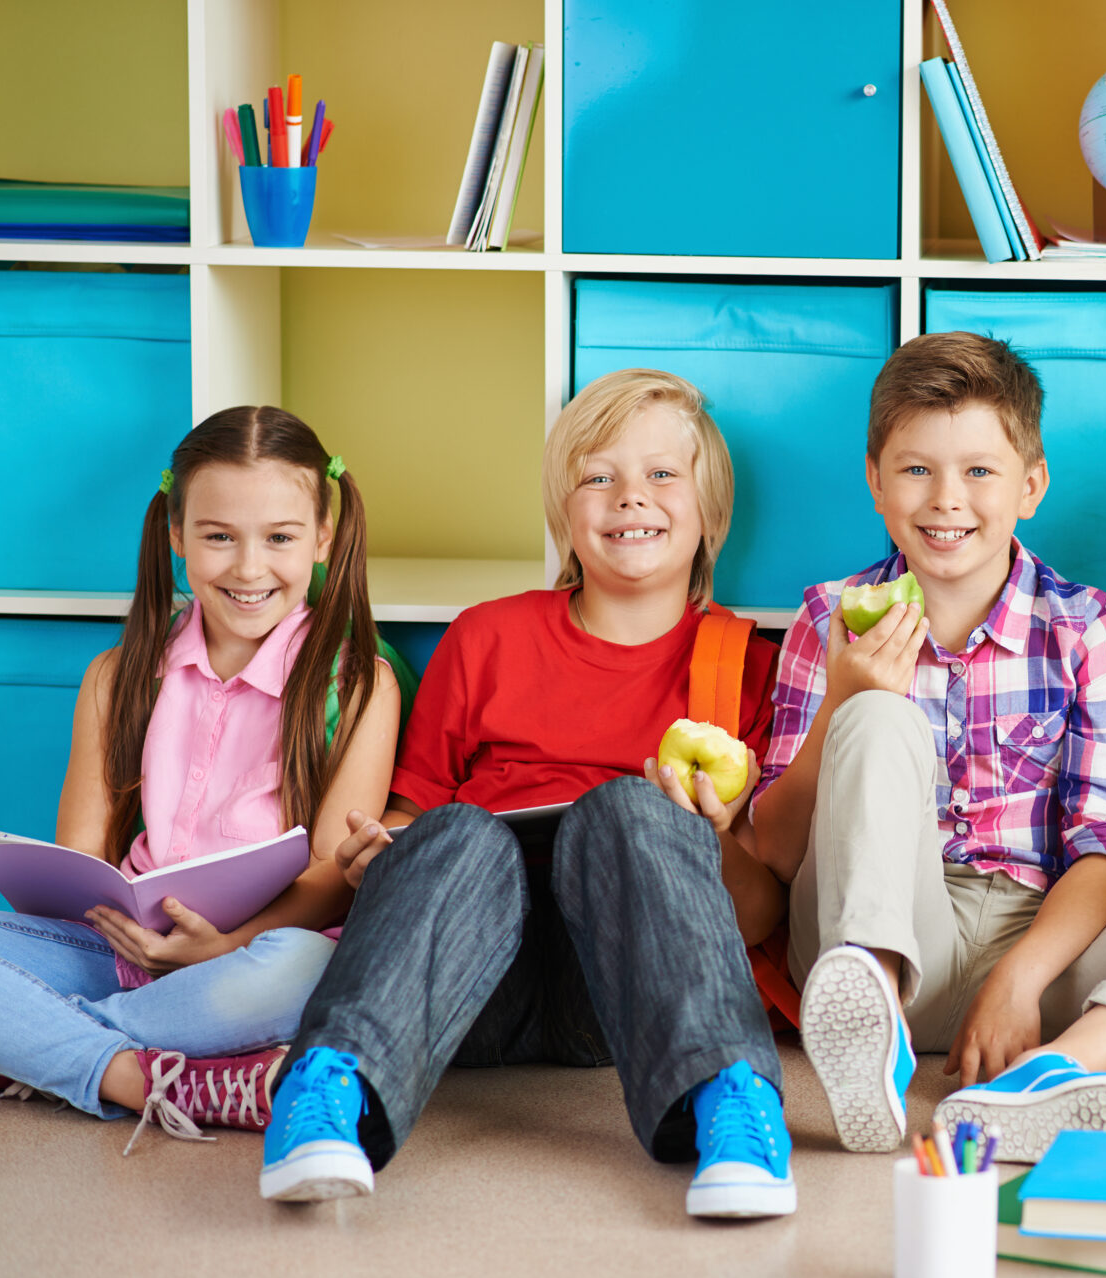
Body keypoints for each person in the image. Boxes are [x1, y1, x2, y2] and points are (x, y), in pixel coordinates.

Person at [753, 332, 1106, 1162]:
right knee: (879, 718)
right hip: (875, 926)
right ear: (875, 480)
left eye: (979, 470)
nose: (948, 499)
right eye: (917, 470)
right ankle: (870, 1030)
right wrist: (844, 697)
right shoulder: (829, 616)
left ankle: (1044, 1079)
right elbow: (777, 850)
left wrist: (1020, 979)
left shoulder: (1085, 627)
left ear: (1031, 485)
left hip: (1043, 951)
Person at [259, 370, 796, 1218]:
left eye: (662, 475)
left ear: (708, 510)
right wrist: (385, 852)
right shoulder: (488, 635)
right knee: (461, 831)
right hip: (467, 974)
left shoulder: (746, 667)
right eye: (598, 475)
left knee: (629, 808)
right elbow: (413, 811)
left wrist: (703, 834)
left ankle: (733, 1098)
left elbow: (761, 918)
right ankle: (327, 1088)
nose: (631, 498)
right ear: (564, 509)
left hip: (621, 993)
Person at [0, 406, 401, 1153]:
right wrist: (110, 918)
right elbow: (82, 857)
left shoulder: (362, 682)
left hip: (251, 956)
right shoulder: (118, 675)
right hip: (111, 950)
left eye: (280, 537)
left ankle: (26, 1045)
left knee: (306, 972)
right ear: (176, 536)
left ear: (323, 537)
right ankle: (142, 1075)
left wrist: (220, 944)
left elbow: (333, 875)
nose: (247, 567)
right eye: (217, 536)